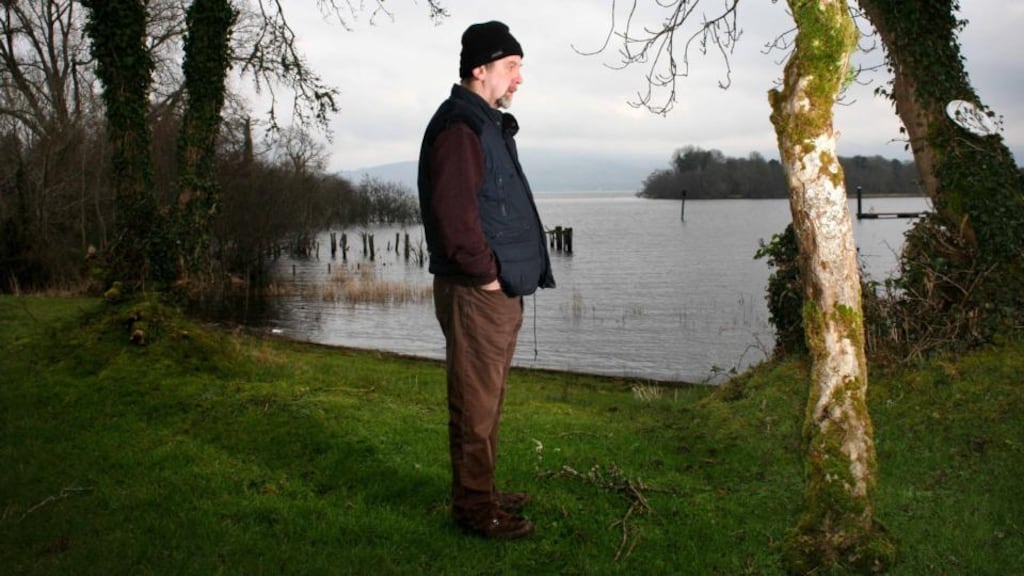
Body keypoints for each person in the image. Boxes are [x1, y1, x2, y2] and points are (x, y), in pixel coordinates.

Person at [417, 20, 555, 540]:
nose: (519, 79)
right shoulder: (461, 128)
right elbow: (456, 221)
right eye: (512, 66)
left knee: (488, 399)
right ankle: (476, 509)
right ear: (481, 69)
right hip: (478, 293)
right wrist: (488, 278)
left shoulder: (487, 124)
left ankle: (483, 491)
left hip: (495, 291)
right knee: (474, 404)